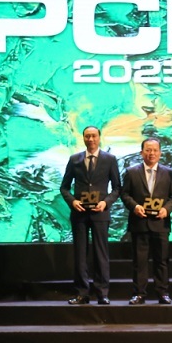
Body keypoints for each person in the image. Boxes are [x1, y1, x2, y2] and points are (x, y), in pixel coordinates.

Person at [59, 126, 121, 305]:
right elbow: (64, 187)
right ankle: (82, 293)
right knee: (80, 254)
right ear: (83, 138)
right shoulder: (75, 159)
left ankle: (102, 293)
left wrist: (105, 203)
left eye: (93, 136)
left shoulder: (109, 159)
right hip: (79, 214)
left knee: (101, 253)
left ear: (99, 138)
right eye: (87, 136)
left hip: (100, 213)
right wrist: (73, 202)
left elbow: (117, 188)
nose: (91, 139)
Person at [120, 138, 172, 305]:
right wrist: (135, 206)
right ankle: (139, 293)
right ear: (141, 153)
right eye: (148, 150)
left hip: (161, 223)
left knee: (162, 260)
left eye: (154, 150)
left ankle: (163, 293)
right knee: (140, 261)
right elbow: (125, 194)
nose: (151, 153)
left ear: (160, 153)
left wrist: (166, 209)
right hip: (139, 223)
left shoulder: (169, 173)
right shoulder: (131, 172)